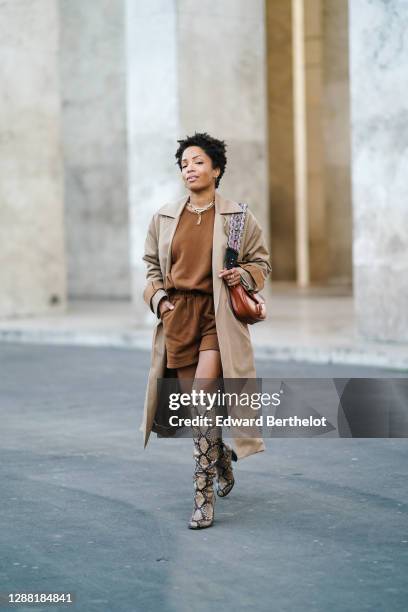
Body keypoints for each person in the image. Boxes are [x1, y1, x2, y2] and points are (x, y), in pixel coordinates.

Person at [141, 132, 271, 529]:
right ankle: (221, 460)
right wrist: (160, 301)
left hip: (217, 318)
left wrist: (243, 274)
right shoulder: (165, 216)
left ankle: (202, 496)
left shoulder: (236, 218)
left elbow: (261, 264)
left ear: (216, 169)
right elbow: (150, 266)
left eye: (198, 162)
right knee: (197, 409)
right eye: (183, 164)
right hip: (178, 316)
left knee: (201, 397)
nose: (189, 169)